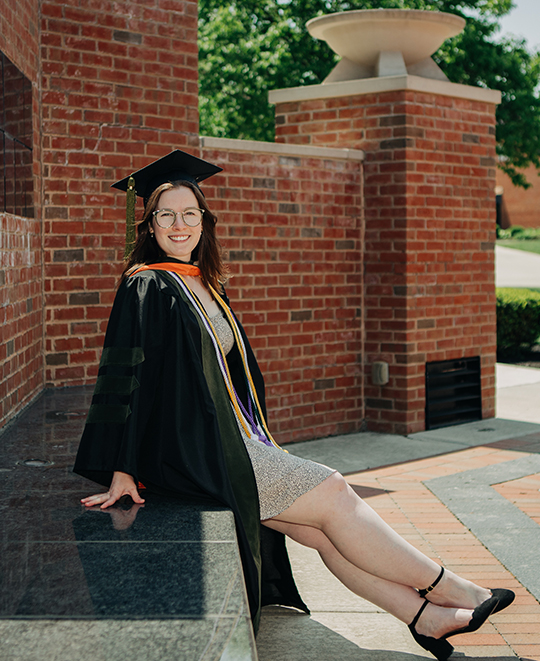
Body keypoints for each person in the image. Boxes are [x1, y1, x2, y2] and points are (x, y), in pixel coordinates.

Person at [74, 150, 514, 661]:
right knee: (332, 490)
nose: (179, 224)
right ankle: (452, 589)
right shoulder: (147, 283)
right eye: (166, 215)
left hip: (230, 440)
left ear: (203, 222)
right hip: (191, 450)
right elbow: (125, 376)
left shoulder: (200, 281)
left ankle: (425, 619)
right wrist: (123, 467)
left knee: (322, 530)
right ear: (149, 225)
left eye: (189, 214)